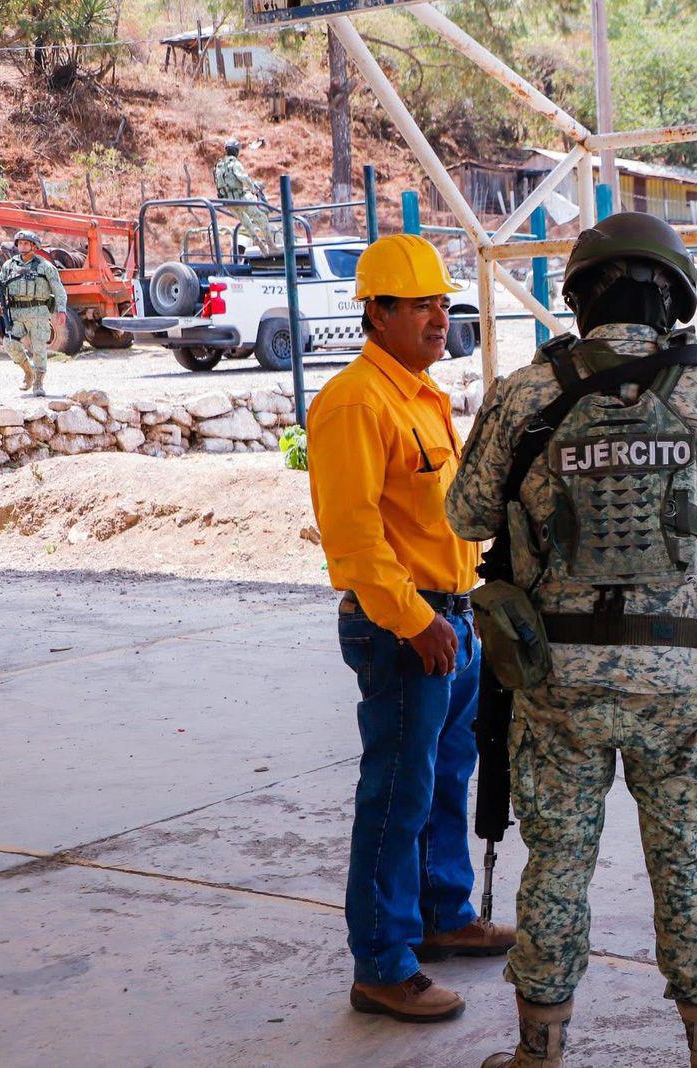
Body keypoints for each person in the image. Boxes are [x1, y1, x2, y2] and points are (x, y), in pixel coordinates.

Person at [447, 212, 697, 1068]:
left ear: (579, 296)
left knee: (555, 864)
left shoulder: (526, 394)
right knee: (689, 863)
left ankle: (538, 1052)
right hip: (684, 684)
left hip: (558, 683)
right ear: (675, 298)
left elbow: (466, 516)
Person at [306, 234, 515, 1025]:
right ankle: (384, 964)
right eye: (422, 303)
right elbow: (356, 541)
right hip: (404, 630)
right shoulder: (356, 403)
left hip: (451, 622)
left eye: (441, 300)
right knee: (396, 794)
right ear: (377, 312)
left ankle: (442, 914)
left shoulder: (419, 395)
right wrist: (421, 623)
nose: (439, 315)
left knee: (446, 779)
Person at [0, 230, 67, 397]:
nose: (22, 246)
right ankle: (28, 372)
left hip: (39, 312)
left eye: (26, 243)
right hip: (16, 313)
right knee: (10, 343)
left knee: (39, 348)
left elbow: (58, 289)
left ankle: (39, 382)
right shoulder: (9, 265)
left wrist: (61, 310)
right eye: (20, 243)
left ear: (34, 246)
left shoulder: (46, 267)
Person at [213, 137, 278, 252]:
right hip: (240, 199)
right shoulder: (234, 163)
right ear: (237, 151)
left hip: (228, 203)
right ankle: (271, 246)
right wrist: (253, 189)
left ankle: (262, 248)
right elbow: (243, 178)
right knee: (261, 218)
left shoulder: (218, 165)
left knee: (247, 224)